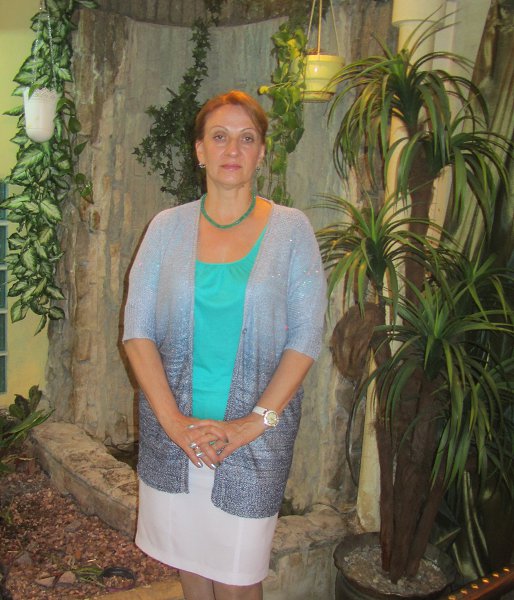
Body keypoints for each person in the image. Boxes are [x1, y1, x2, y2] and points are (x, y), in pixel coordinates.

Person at [123, 90, 326, 600]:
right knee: (191, 569)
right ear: (200, 150)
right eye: (219, 136)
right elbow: (137, 331)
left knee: (238, 580)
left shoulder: (291, 230)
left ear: (261, 153)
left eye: (246, 138)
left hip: (255, 441)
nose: (232, 149)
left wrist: (252, 424)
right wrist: (174, 423)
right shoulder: (165, 228)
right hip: (176, 437)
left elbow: (305, 338)